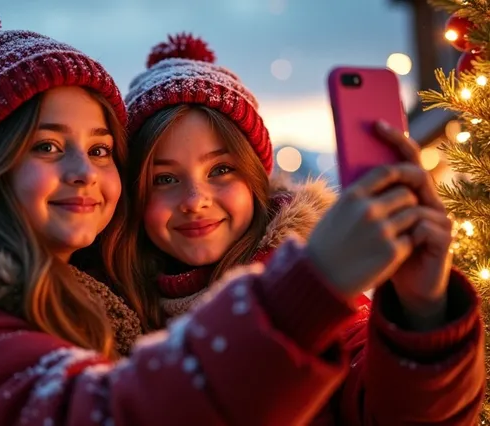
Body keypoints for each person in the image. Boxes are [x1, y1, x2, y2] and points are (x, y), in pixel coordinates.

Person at [0, 2, 480, 424]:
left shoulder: (83, 295)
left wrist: (421, 310)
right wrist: (309, 288)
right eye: (47, 146)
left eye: (100, 148)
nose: (195, 198)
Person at [104, 32, 484, 424]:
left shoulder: (314, 297)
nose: (195, 199)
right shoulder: (111, 306)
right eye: (165, 179)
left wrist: (424, 312)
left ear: (255, 179)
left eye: (221, 170)